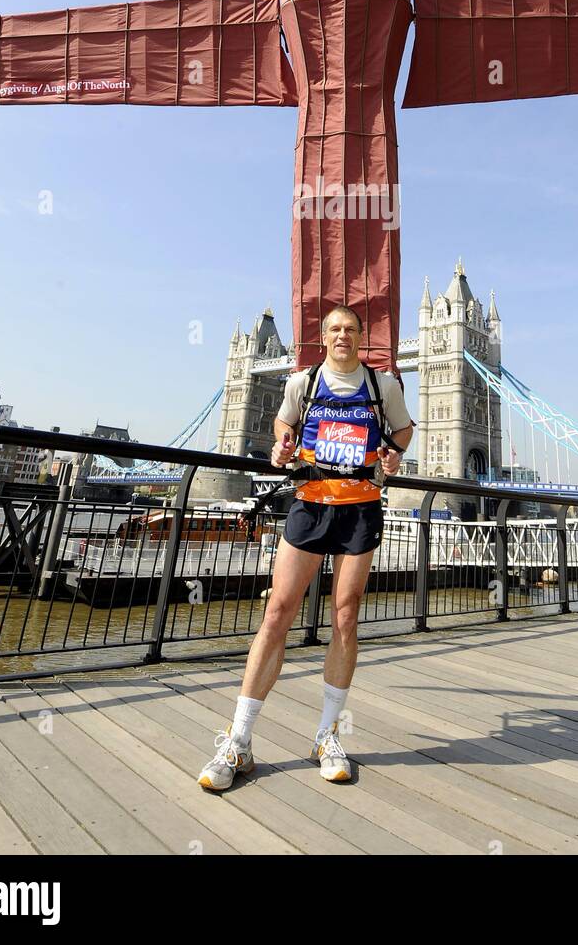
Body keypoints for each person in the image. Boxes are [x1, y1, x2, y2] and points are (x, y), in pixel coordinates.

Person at [198, 304, 414, 791]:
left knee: (346, 613)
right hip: (310, 503)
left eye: (351, 330)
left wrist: (396, 453)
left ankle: (327, 735)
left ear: (363, 337)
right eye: (334, 329)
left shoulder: (384, 386)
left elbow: (403, 429)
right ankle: (239, 740)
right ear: (324, 336)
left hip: (360, 506)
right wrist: (281, 445)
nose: (342, 336)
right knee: (277, 612)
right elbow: (283, 425)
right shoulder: (303, 381)